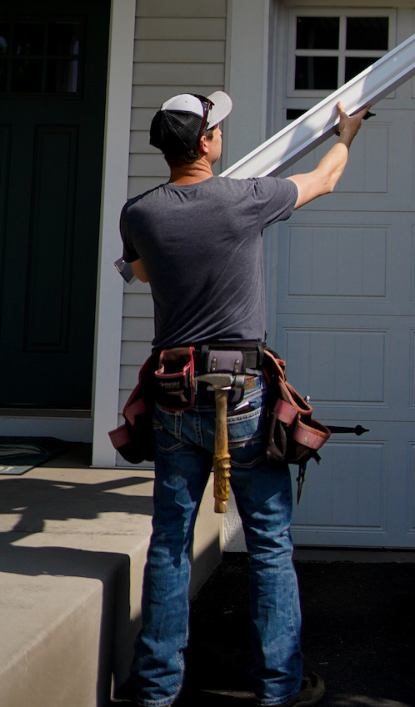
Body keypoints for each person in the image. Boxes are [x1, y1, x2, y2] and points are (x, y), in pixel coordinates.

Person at [120, 90, 368, 707]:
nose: (223, 135)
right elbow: (324, 181)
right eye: (218, 129)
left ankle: (154, 690)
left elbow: (142, 271)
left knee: (170, 541)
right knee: (269, 540)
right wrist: (347, 134)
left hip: (174, 392)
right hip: (244, 398)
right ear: (205, 143)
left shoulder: (140, 213)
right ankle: (279, 688)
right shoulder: (244, 198)